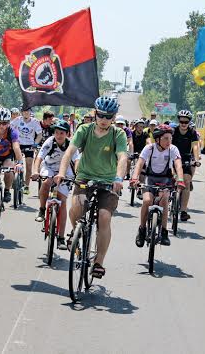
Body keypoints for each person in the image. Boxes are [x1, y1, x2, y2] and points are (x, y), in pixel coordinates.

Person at [54, 96, 128, 279]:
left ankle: (99, 262)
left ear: (113, 118)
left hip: (108, 182)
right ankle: (75, 232)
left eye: (108, 117)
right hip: (85, 178)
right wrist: (61, 172)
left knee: (104, 217)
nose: (104, 120)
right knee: (77, 208)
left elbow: (122, 157)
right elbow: (70, 152)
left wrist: (119, 178)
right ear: (95, 114)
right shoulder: (84, 130)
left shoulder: (118, 134)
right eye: (101, 115)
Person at [131, 124, 185, 247]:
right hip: (149, 179)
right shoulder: (149, 148)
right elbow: (139, 164)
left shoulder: (173, 149)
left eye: (170, 138)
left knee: (164, 200)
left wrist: (180, 180)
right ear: (157, 139)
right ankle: (142, 230)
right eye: (166, 138)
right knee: (147, 201)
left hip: (165, 179)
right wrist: (134, 178)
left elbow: (178, 165)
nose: (169, 141)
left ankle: (164, 232)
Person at [32, 121, 80, 250]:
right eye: (57, 132)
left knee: (63, 201)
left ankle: (61, 238)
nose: (59, 135)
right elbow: (39, 158)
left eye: (62, 133)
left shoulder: (71, 145)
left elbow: (76, 161)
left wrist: (78, 176)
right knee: (46, 182)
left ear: (67, 134)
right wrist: (36, 171)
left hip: (65, 171)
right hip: (49, 167)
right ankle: (42, 209)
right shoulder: (50, 142)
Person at [172, 109, 201, 221]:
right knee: (171, 179)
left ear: (189, 122)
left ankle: (183, 210)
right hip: (173, 157)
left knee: (187, 182)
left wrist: (196, 159)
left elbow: (195, 147)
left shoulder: (192, 132)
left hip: (186, 158)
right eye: (181, 121)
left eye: (186, 122)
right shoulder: (173, 131)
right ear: (179, 121)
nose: (183, 124)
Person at [11, 108, 43, 194]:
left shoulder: (35, 121)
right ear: (21, 112)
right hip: (18, 144)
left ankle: (26, 186)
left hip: (30, 145)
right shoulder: (17, 120)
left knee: (29, 167)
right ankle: (14, 179)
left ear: (30, 112)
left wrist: (35, 144)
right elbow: (9, 130)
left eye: (27, 111)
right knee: (14, 164)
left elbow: (39, 135)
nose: (26, 113)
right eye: (24, 111)